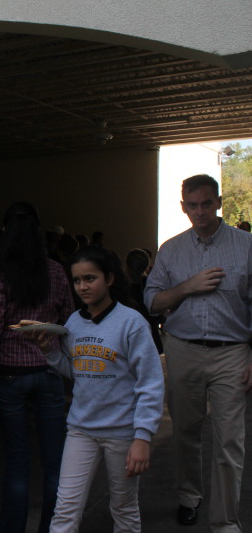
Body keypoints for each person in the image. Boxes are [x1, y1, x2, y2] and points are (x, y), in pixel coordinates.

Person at [144, 174, 252, 530]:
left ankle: (226, 522)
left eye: (207, 203)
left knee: (229, 441)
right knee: (185, 433)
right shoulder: (171, 250)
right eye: (193, 205)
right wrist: (187, 287)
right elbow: (152, 301)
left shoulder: (246, 245)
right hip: (183, 349)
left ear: (219, 202)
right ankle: (189, 496)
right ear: (183, 206)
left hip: (232, 351)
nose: (200, 212)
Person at [31, 245, 164, 533]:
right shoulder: (73, 323)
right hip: (81, 430)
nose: (82, 286)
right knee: (64, 509)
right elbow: (77, 371)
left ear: (110, 279)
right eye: (77, 280)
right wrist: (50, 353)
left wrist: (143, 437)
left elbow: (151, 384)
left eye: (90, 278)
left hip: (123, 433)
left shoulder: (131, 323)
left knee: (124, 509)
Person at [0, 203, 74, 533]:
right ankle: (53, 528)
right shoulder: (55, 271)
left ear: (5, 232)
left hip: (9, 375)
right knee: (54, 465)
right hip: (49, 371)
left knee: (17, 463)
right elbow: (68, 318)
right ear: (39, 232)